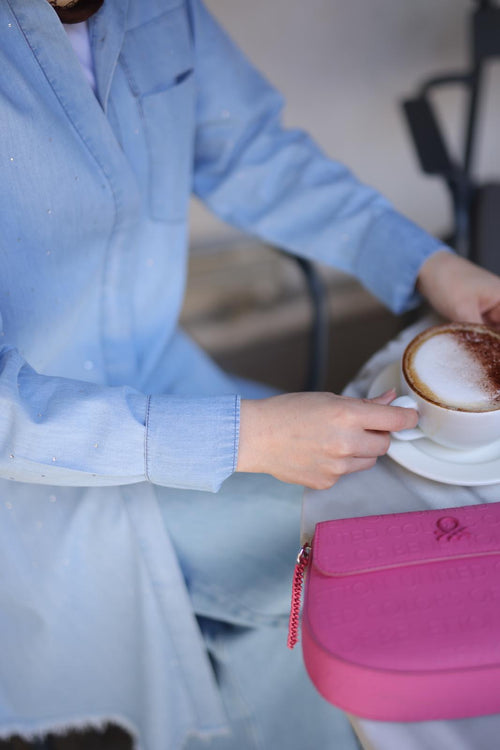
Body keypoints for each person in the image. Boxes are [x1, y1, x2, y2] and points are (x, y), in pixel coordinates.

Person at [2, 0, 500, 748]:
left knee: (398, 542)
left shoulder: (155, 11)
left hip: (174, 383)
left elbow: (254, 154)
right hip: (37, 479)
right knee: (361, 561)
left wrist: (428, 262)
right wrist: (239, 438)